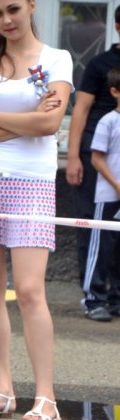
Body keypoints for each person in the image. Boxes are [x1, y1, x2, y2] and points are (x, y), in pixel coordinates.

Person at [0, 0, 72, 420]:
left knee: (28, 290)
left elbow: (50, 125)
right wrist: (25, 117)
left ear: (31, 7)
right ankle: (2, 389)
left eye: (13, 9)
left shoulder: (57, 59)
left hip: (32, 183)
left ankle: (46, 397)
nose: (6, 20)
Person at [66, 6, 120, 319]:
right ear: (116, 26)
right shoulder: (101, 64)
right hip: (96, 157)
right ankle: (94, 297)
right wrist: (73, 157)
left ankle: (116, 297)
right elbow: (81, 110)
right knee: (95, 227)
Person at [82, 64, 120, 320]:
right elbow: (97, 159)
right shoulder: (108, 121)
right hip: (108, 197)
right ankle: (94, 298)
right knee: (100, 250)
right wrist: (117, 186)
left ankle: (117, 299)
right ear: (115, 91)